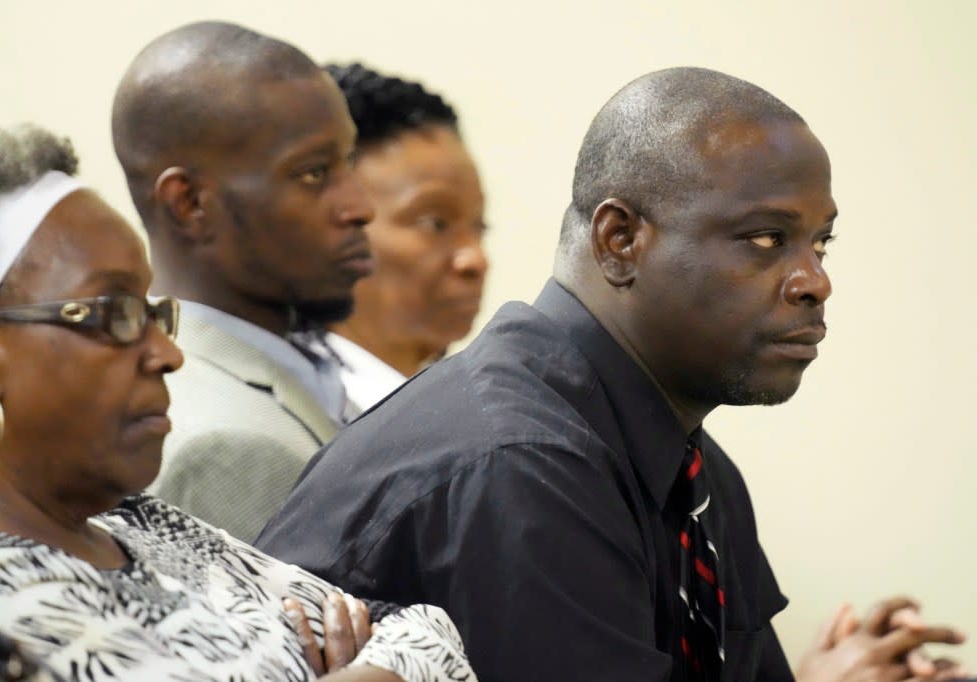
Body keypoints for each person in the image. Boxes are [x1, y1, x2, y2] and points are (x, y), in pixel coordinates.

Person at [256, 68, 967, 681]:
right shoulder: (518, 462)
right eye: (765, 239)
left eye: (820, 243)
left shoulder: (692, 467)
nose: (815, 281)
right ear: (619, 239)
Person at [0, 124, 475, 682]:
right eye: (115, 314)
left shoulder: (144, 525)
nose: (167, 354)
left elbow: (426, 632)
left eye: (153, 314)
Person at [111, 22, 376, 543]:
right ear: (190, 204)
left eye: (347, 163)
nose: (361, 207)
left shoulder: (295, 363)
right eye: (314, 174)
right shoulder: (216, 444)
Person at [320, 63, 488, 410]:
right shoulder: (300, 419)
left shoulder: (464, 408)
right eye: (434, 223)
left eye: (479, 227)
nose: (475, 259)